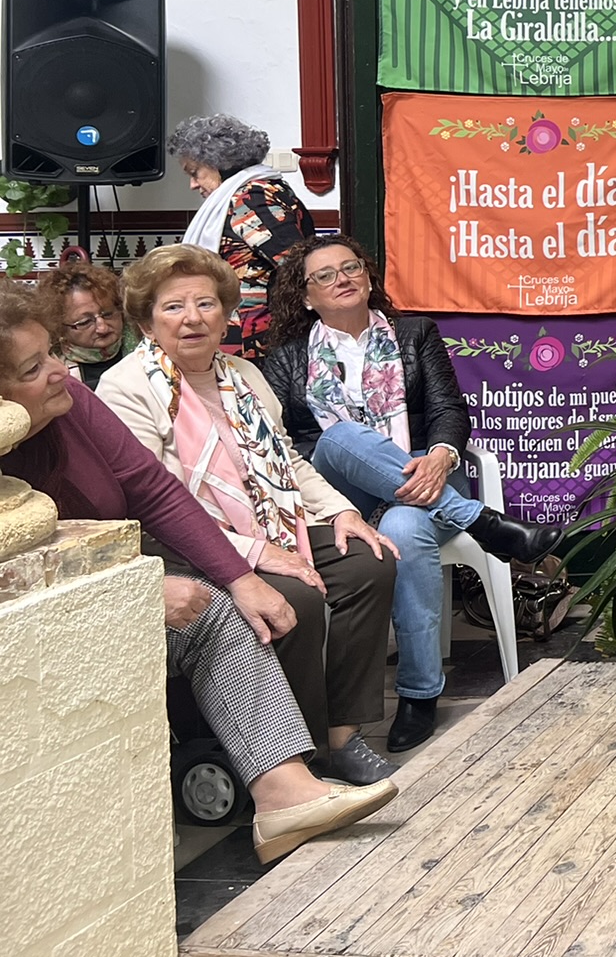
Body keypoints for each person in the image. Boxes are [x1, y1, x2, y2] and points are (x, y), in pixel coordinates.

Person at [0, 285, 396, 862]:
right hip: (52, 626)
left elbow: (152, 490)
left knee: (261, 595)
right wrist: (140, 591)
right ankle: (285, 782)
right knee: (235, 612)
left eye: (54, 352)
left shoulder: (73, 401)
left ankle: (290, 789)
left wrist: (240, 576)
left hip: (126, 576)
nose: (61, 371)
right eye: (34, 369)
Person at [97, 243, 401, 783]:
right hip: (189, 543)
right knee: (296, 598)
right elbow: (154, 503)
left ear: (226, 315)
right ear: (146, 322)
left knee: (369, 562)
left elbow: (289, 460)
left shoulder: (244, 374)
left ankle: (341, 733)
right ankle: (298, 760)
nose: (192, 318)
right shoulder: (125, 388)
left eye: (206, 304)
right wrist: (258, 553)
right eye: (173, 307)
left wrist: (341, 511)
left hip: (272, 519)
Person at [260, 236, 563, 752]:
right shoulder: (287, 358)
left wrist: (441, 455)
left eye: (351, 267)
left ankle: (420, 694)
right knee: (341, 437)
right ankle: (482, 522)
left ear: (368, 276)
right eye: (325, 275)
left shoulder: (415, 334)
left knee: (404, 527)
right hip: (337, 493)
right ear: (306, 296)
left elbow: (449, 409)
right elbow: (281, 442)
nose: (342, 279)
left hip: (426, 479)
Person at [166, 113, 319, 359]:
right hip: (252, 335)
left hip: (255, 341)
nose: (193, 185)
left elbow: (299, 265)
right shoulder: (256, 191)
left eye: (194, 172)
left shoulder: (251, 198)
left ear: (218, 162)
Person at [36, 258, 140, 387]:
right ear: (59, 328)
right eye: (85, 322)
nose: (102, 328)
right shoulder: (54, 374)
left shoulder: (145, 349)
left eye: (108, 314)